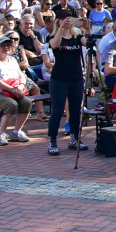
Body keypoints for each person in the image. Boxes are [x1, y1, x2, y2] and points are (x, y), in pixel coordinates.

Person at [45, 15, 88, 155]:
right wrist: (61, 28)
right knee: (57, 111)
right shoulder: (53, 36)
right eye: (64, 18)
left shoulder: (77, 36)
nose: (67, 21)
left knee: (76, 110)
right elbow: (55, 45)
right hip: (59, 79)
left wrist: (86, 28)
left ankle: (74, 138)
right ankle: (52, 140)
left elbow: (87, 43)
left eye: (69, 18)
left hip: (76, 78)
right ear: (58, 21)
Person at [0, 35, 32, 146]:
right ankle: (1, 133)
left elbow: (21, 76)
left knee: (27, 102)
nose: (6, 48)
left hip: (12, 91)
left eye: (8, 45)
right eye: (3, 46)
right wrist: (13, 89)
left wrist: (20, 86)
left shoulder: (12, 60)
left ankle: (17, 131)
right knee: (11, 104)